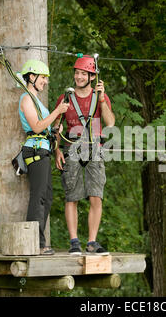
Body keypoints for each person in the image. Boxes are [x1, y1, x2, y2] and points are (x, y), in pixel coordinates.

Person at [54, 55, 115, 256]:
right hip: (71, 147)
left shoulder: (99, 97)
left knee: (96, 196)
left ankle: (91, 242)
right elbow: (57, 128)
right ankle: (74, 242)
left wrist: (103, 99)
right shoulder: (65, 98)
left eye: (83, 74)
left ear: (91, 76)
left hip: (94, 147)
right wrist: (56, 151)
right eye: (77, 73)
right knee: (72, 196)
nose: (78, 77)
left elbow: (110, 123)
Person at [18, 59, 69, 255]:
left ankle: (38, 240)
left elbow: (43, 126)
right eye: (43, 78)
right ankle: (36, 243)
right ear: (32, 77)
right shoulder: (26, 99)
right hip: (35, 150)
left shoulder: (37, 101)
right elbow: (36, 126)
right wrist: (57, 111)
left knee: (47, 197)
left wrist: (54, 128)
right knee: (38, 196)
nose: (45, 82)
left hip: (44, 149)